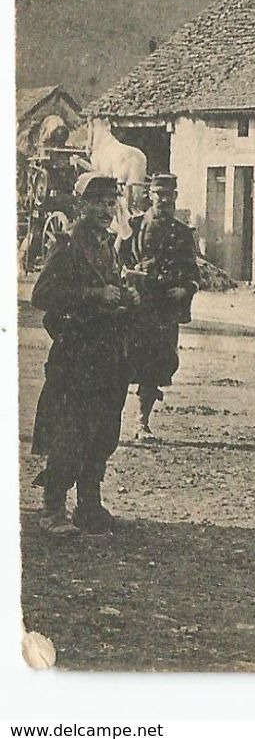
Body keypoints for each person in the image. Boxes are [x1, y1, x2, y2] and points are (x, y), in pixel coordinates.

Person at [30, 174, 137, 535]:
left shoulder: (108, 245)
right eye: (100, 203)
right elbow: (42, 295)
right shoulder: (68, 245)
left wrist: (125, 297)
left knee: (104, 431)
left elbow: (111, 288)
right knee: (70, 431)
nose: (108, 210)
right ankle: (52, 510)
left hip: (109, 353)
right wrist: (95, 295)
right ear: (82, 206)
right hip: (76, 355)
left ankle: (89, 506)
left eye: (112, 203)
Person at [116, 172, 200, 440]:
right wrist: (129, 290)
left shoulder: (183, 233)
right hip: (136, 307)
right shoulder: (134, 226)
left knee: (156, 365)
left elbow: (194, 274)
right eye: (158, 194)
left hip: (163, 309)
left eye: (169, 195)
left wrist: (184, 289)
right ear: (149, 196)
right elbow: (115, 264)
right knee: (123, 363)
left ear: (175, 197)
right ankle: (111, 425)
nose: (164, 200)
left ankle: (142, 423)